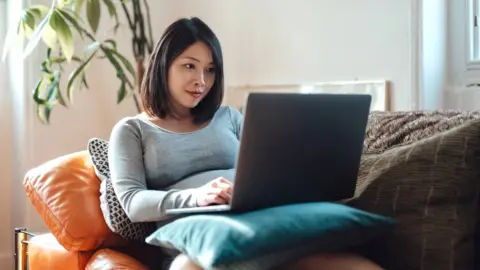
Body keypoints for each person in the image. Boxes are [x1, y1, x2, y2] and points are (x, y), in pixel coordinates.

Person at [108, 17, 383, 270]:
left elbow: (263, 173)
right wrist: (197, 196)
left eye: (210, 70)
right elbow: (133, 202)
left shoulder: (228, 117)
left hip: (257, 227)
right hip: (198, 245)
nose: (201, 81)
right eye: (189, 65)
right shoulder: (133, 130)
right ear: (163, 65)